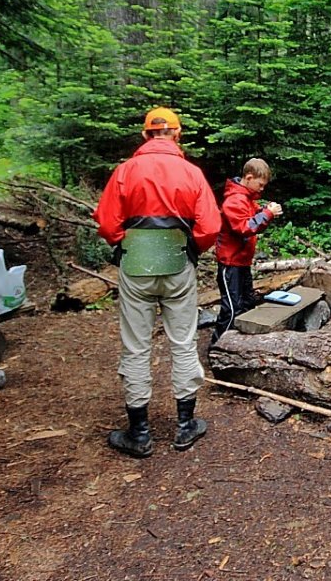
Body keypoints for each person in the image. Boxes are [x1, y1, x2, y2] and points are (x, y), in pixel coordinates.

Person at [93, 107, 221, 457]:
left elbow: (105, 222)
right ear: (176, 134)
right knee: (182, 341)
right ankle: (185, 426)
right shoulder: (192, 173)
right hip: (179, 264)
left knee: (136, 346)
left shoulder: (125, 171)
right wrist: (190, 249)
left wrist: (126, 242)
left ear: (146, 135)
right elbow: (210, 226)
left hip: (135, 264)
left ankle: (140, 433)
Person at [213, 158, 283, 343]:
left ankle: (240, 345)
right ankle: (218, 346)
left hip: (242, 262)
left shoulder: (247, 199)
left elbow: (255, 220)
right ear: (249, 177)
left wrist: (265, 212)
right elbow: (244, 227)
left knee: (247, 305)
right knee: (232, 309)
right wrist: (267, 214)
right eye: (260, 184)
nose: (262, 189)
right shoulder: (234, 200)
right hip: (230, 263)